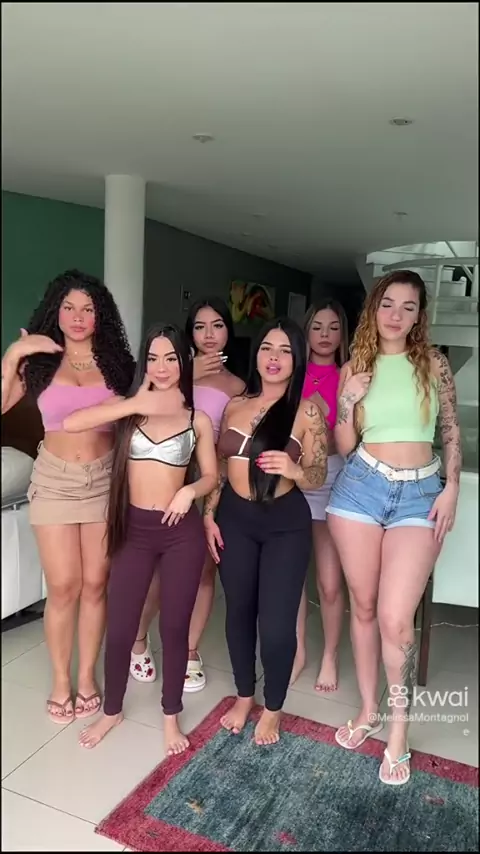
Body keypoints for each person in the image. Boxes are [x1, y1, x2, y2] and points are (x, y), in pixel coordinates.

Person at [326, 270, 461, 786]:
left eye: (408, 306)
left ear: (420, 315)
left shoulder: (434, 363)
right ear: (373, 309)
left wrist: (452, 486)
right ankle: (368, 710)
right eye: (387, 304)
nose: (396, 315)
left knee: (396, 619)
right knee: (362, 607)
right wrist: (347, 399)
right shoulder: (355, 366)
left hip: (421, 495)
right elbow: (344, 445)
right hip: (360, 488)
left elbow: (450, 429)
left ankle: (399, 732)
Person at [64, 323, 217, 755]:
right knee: (121, 625)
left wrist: (189, 491)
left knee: (174, 627)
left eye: (171, 358)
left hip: (180, 533)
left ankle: (170, 716)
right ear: (144, 363)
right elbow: (72, 423)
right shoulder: (128, 409)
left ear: (184, 362)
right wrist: (135, 402)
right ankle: (111, 710)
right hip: (134, 529)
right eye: (153, 358)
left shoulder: (197, 418)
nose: (162, 367)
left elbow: (211, 475)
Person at [1, 270, 135, 723]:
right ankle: (61, 680)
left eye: (88, 309)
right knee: (62, 587)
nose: (78, 317)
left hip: (104, 480)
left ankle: (86, 678)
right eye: (69, 307)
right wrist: (13, 355)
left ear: (101, 315)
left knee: (96, 584)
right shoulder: (38, 363)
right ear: (55, 312)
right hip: (54, 480)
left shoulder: (117, 364)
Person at [203, 317, 328, 746]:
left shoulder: (307, 410)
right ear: (255, 354)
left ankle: (273, 706)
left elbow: (318, 473)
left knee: (276, 625)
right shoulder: (235, 404)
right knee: (238, 612)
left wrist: (294, 469)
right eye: (267, 349)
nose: (274, 358)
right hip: (234, 519)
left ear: (298, 360)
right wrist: (209, 514)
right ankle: (244, 695)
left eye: (285, 351)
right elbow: (221, 468)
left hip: (284, 525)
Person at [129, 298, 245, 691]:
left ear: (229, 331)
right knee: (157, 574)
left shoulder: (239, 387)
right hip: (167, 478)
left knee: (204, 571)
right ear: (188, 333)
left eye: (218, 325)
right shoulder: (171, 372)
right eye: (199, 326)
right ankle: (139, 638)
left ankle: (190, 650)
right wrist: (188, 374)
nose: (209, 335)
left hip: (210, 482)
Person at [291, 299, 348, 689]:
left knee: (329, 582)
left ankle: (330, 654)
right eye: (317, 327)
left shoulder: (348, 376)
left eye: (333, 327)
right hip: (294, 480)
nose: (325, 335)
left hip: (334, 479)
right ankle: (298, 651)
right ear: (306, 331)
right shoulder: (292, 371)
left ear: (343, 333)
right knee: (293, 577)